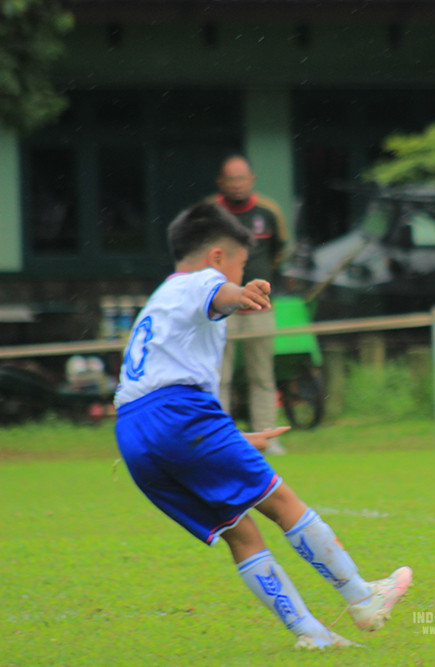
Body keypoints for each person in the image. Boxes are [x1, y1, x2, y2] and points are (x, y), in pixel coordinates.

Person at [114, 202, 411, 650]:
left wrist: (229, 437)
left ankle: (311, 634)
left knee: (240, 530)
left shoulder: (159, 301)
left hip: (135, 432)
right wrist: (241, 292)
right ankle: (362, 596)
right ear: (217, 257)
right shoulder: (204, 281)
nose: (239, 273)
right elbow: (218, 295)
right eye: (240, 264)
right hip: (178, 415)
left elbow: (159, 385)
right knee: (280, 501)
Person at [213, 154, 291, 455]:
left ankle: (268, 438)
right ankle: (219, 440)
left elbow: (279, 250)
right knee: (221, 377)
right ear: (221, 183)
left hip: (259, 308)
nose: (237, 184)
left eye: (242, 178)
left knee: (262, 376)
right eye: (231, 179)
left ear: (252, 180)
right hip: (221, 309)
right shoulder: (211, 212)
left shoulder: (268, 212)